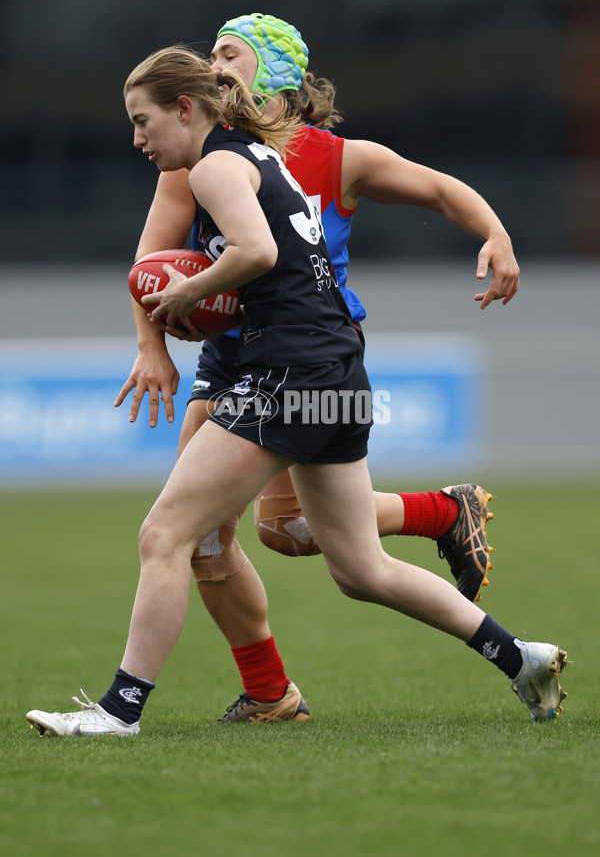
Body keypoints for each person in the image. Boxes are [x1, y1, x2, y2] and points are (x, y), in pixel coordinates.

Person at [26, 46, 566, 737]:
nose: (136, 139)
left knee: (166, 533)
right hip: (335, 367)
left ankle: (119, 711)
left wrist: (188, 293)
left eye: (143, 121)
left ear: (185, 109)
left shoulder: (219, 165)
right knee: (360, 568)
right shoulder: (255, 155)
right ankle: (522, 658)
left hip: (289, 371)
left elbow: (258, 253)